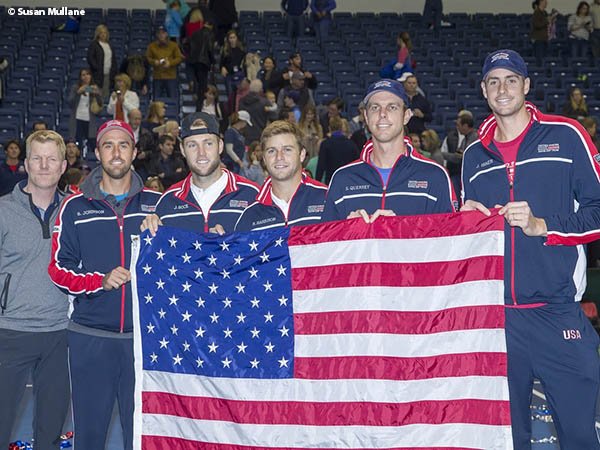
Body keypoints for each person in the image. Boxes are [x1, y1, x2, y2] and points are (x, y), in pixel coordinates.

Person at [461, 49, 600, 449]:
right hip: (497, 320)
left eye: (510, 80)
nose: (502, 89)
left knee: (578, 436)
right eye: (493, 81)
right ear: (484, 91)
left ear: (526, 86)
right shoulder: (474, 155)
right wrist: (464, 217)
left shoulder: (565, 135)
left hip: (556, 314)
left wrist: (544, 226)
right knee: (507, 440)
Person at [48, 120, 161, 450]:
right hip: (90, 339)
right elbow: (58, 270)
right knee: (90, 437)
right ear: (97, 153)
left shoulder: (158, 204)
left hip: (144, 343)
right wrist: (100, 281)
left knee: (141, 438)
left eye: (123, 145)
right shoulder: (75, 206)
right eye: (108, 145)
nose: (116, 152)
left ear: (135, 152)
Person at [0, 130, 69, 450]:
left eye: (51, 159)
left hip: (61, 334)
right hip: (10, 331)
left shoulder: (75, 212)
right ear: (25, 164)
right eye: (37, 158)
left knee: (49, 433)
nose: (44, 165)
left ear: (63, 165)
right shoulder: (2, 211)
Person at [322, 79, 456, 223]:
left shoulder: (434, 176)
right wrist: (348, 229)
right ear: (366, 117)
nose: (382, 114)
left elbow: (450, 240)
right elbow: (325, 242)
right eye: (375, 107)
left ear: (406, 115)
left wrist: (397, 229)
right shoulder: (342, 179)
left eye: (392, 107)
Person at [141, 112, 259, 236]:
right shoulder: (168, 202)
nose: (201, 153)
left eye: (208, 143)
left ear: (220, 146)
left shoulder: (252, 195)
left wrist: (231, 246)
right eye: (192, 145)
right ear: (182, 150)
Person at [235, 120, 327, 231]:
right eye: (271, 151)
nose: (279, 157)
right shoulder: (249, 215)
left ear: (302, 154)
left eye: (287, 150)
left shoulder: (327, 199)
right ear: (264, 159)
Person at [441, 110, 478, 196]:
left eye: (458, 125)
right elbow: (459, 153)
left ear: (465, 126)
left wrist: (442, 154)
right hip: (462, 173)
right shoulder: (465, 139)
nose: (457, 128)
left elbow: (463, 156)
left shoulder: (475, 137)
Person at [68, 68, 103, 154]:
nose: (86, 77)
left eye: (88, 74)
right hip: (77, 120)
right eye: (83, 75)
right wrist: (78, 92)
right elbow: (70, 103)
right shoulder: (75, 87)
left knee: (92, 144)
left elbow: (100, 106)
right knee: (78, 144)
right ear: (80, 77)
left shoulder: (94, 88)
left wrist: (97, 94)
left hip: (90, 121)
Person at [316, 116, 359, 184]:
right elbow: (357, 165)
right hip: (348, 182)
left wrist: (317, 183)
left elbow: (320, 167)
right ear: (341, 128)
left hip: (331, 182)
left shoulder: (325, 144)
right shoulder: (351, 144)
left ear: (329, 128)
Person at [145, 26, 184, 99]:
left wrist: (170, 63)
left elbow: (179, 58)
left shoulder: (174, 45)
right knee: (156, 99)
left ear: (167, 34)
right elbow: (147, 58)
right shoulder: (151, 46)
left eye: (163, 33)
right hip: (157, 76)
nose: (161, 35)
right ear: (156, 35)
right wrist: (154, 62)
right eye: (159, 33)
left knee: (172, 98)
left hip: (171, 76)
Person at [188, 15, 215, 109]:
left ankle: (198, 104)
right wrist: (213, 61)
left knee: (197, 84)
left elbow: (186, 44)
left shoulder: (195, 33)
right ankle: (200, 108)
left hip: (193, 62)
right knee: (202, 88)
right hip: (204, 62)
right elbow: (210, 49)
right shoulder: (210, 34)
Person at [239, 79, 276, 143]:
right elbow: (274, 117)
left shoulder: (242, 101)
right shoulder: (265, 102)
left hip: (245, 134)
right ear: (261, 90)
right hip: (260, 134)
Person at [87, 24, 117, 99]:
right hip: (97, 75)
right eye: (101, 33)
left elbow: (113, 59)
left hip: (108, 74)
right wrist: (97, 68)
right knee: (95, 94)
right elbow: (90, 58)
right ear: (98, 34)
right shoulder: (94, 44)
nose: (103, 34)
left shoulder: (110, 45)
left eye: (105, 33)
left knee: (105, 94)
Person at [220, 29, 246, 100]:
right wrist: (222, 68)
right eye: (230, 38)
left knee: (239, 95)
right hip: (229, 75)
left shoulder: (242, 49)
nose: (232, 39)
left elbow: (244, 63)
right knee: (230, 95)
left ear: (236, 38)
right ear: (228, 39)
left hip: (239, 74)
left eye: (233, 37)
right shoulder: (225, 50)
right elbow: (221, 63)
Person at [531, 0, 558, 66]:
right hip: (539, 39)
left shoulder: (544, 13)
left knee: (544, 57)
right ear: (540, 2)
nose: (546, 3)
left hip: (544, 38)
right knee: (540, 58)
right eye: (544, 1)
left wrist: (552, 20)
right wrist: (547, 20)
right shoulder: (537, 13)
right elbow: (537, 24)